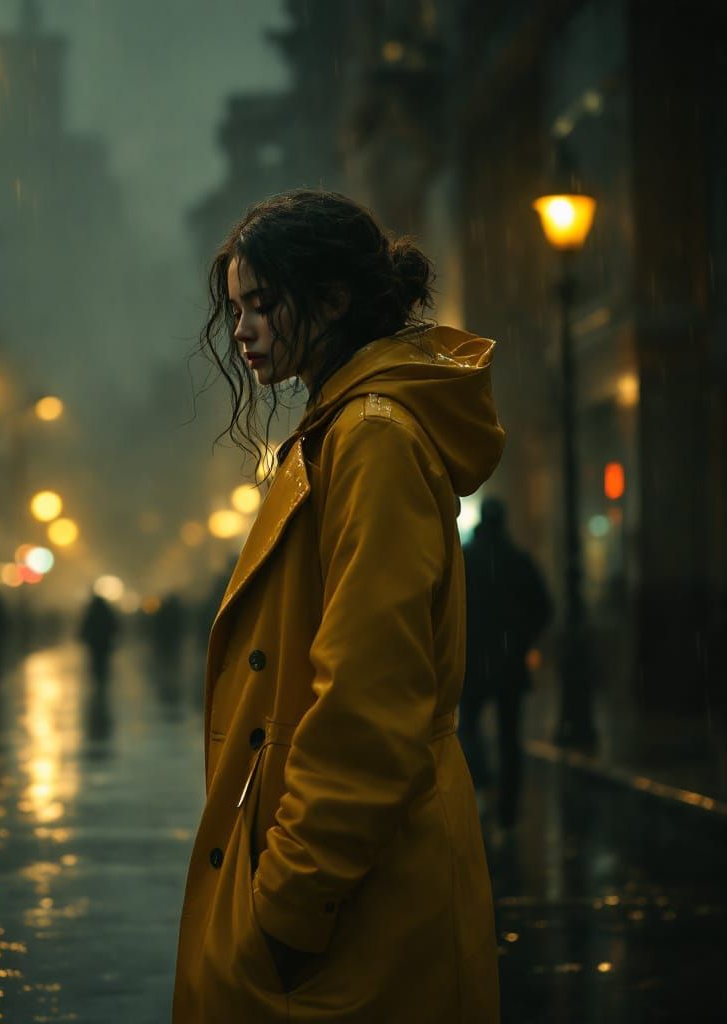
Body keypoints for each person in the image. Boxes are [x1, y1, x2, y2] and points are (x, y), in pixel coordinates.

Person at [172, 190, 506, 1023]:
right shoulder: (346, 430)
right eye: (238, 308)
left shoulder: (373, 439)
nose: (243, 329)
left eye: (263, 304)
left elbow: (369, 699)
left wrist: (289, 906)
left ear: (332, 300)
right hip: (354, 885)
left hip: (360, 898)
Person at [459, 497, 553, 840]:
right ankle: (508, 813)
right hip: (510, 664)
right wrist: (521, 639)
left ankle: (483, 782)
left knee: (466, 726)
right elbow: (544, 606)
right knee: (510, 738)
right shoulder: (518, 561)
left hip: (474, 662)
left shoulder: (467, 559)